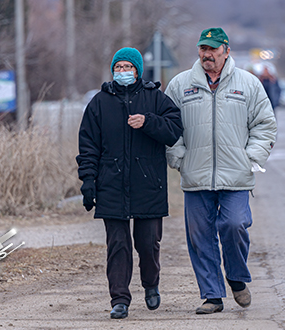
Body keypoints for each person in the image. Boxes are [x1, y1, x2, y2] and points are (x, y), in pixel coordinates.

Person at [165, 27, 277, 314]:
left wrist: (251, 157)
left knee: (234, 224)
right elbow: (169, 127)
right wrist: (178, 158)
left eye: (213, 49)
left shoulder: (248, 84)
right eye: (203, 49)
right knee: (200, 236)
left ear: (226, 51)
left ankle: (237, 279)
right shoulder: (180, 85)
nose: (207, 54)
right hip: (196, 175)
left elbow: (265, 124)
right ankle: (212, 296)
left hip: (236, 175)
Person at [76, 47, 183, 319]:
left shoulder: (156, 98)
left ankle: (151, 284)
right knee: (118, 245)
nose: (123, 72)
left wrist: (147, 122)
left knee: (148, 243)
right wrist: (88, 181)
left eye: (128, 67)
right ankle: (119, 299)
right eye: (119, 67)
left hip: (148, 183)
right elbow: (88, 146)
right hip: (110, 183)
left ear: (138, 70)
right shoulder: (99, 103)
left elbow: (173, 131)